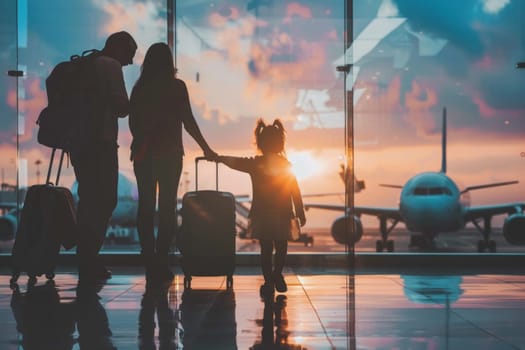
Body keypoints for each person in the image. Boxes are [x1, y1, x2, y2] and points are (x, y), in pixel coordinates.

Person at [129, 42, 216, 284]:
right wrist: (205, 147)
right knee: (167, 208)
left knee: (145, 208)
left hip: (144, 155)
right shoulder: (176, 87)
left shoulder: (140, 88)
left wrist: (141, 141)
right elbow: (188, 120)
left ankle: (148, 261)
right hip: (169, 154)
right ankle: (161, 261)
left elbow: (133, 124)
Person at [71, 31, 137, 284]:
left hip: (78, 144)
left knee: (88, 200)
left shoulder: (87, 65)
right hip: (100, 143)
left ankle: (85, 258)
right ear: (119, 49)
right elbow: (121, 107)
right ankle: (89, 258)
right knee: (106, 200)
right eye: (129, 55)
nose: (130, 62)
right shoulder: (110, 66)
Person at [216, 119, 306, 297]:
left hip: (262, 213)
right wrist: (300, 212)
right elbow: (295, 191)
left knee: (266, 249)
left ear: (260, 144)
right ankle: (277, 274)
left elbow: (235, 162)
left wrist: (217, 157)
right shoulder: (286, 166)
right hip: (283, 213)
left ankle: (268, 282)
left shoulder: (255, 164)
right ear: (280, 143)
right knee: (281, 246)